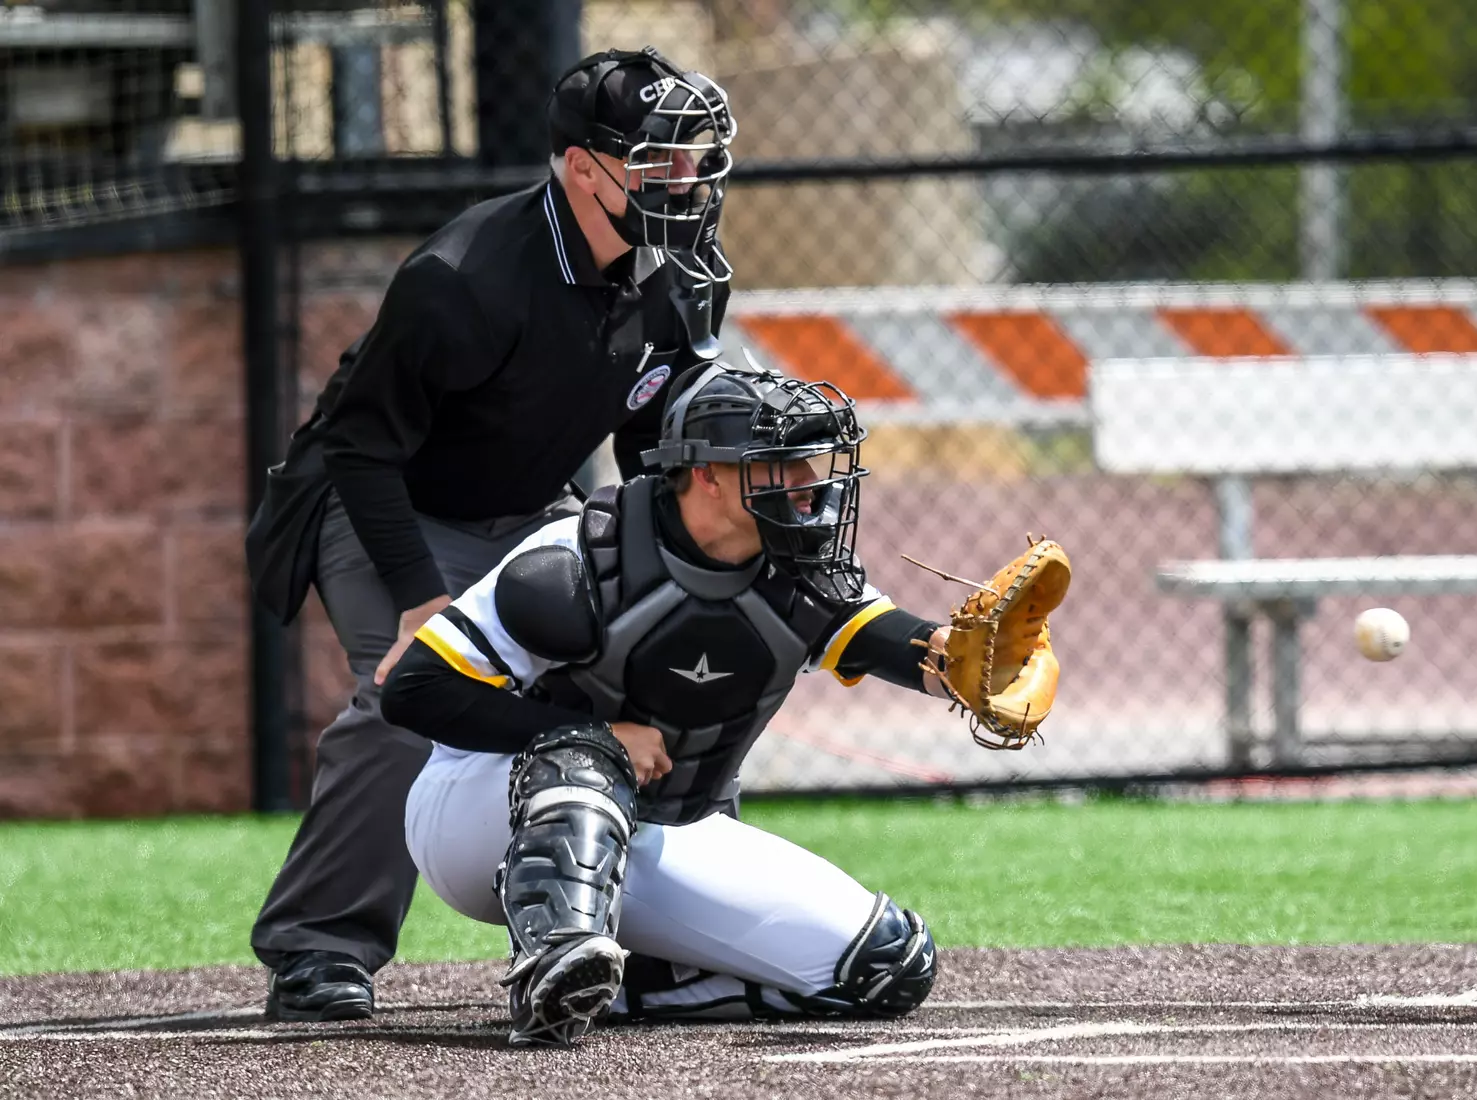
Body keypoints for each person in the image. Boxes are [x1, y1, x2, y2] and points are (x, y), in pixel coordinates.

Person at [250, 45, 738, 1022]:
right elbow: (359, 447)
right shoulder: (462, 278)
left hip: (531, 503)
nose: (681, 182)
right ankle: (318, 947)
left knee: (665, 670)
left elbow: (652, 445)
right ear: (580, 168)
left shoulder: (680, 274)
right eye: (656, 160)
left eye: (691, 160)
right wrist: (425, 602)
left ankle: (672, 939)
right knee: (410, 693)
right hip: (384, 503)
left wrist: (671, 586)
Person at [380, 361, 970, 1046]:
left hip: (662, 828)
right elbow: (414, 690)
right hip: (477, 818)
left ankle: (624, 987)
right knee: (589, 753)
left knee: (887, 967)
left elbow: (900, 646)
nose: (812, 488)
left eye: (815, 465)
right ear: (707, 474)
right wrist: (595, 731)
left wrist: (972, 665)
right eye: (783, 465)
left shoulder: (803, 570)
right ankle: (551, 955)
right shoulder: (582, 556)